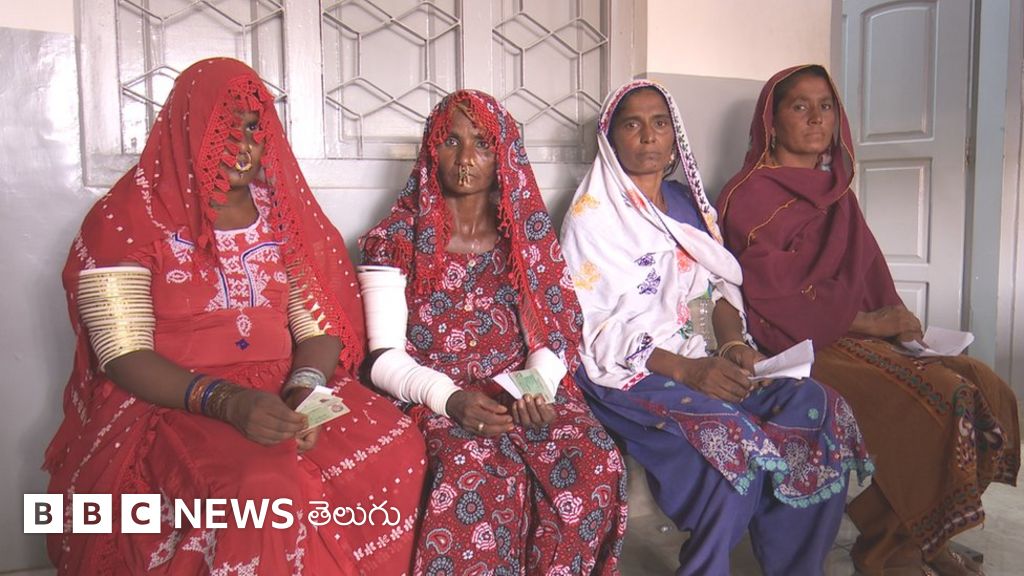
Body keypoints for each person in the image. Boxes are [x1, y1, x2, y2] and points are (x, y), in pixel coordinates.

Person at [45, 58, 426, 575]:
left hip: (284, 383)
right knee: (262, 489)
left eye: (252, 128)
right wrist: (226, 401)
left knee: (397, 447)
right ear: (185, 130)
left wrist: (304, 389)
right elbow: (121, 352)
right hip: (172, 397)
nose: (242, 146)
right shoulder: (127, 217)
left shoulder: (281, 213)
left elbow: (318, 325)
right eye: (222, 130)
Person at [559, 79, 874, 576]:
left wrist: (731, 346)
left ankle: (797, 567)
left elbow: (719, 285)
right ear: (610, 138)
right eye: (633, 125)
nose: (648, 136)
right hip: (631, 369)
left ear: (674, 136)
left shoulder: (687, 202)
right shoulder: (590, 217)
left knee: (816, 406)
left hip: (702, 352)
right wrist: (688, 372)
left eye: (660, 123)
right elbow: (593, 328)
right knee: (729, 442)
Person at [717, 64, 1020, 576]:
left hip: (849, 331)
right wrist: (874, 325)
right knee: (942, 398)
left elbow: (868, 269)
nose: (817, 118)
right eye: (800, 106)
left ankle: (918, 534)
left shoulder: (837, 192)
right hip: (795, 344)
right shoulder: (748, 196)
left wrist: (899, 320)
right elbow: (774, 296)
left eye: (826, 106)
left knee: (984, 387)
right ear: (772, 121)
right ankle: (889, 551)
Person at [359, 89, 627, 575]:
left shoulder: (524, 239)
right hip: (433, 393)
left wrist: (534, 389)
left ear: (503, 153)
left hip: (519, 386)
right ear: (430, 150)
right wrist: (450, 399)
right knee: (475, 471)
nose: (465, 158)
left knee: (593, 460)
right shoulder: (395, 240)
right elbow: (382, 358)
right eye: (451, 141)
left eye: (481, 143)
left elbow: (552, 333)